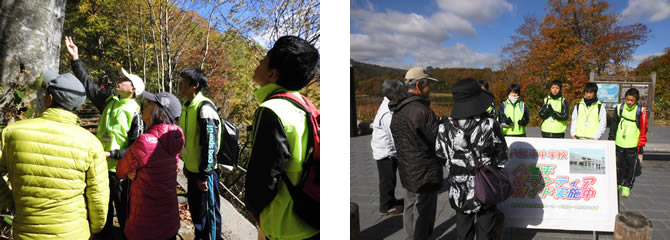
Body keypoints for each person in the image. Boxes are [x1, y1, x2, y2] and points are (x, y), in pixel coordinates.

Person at [0, 71, 109, 239]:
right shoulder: (90, 143)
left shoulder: (13, 133)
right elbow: (99, 199)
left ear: (49, 99)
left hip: (26, 232)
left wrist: (9, 202)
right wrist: (94, 228)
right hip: (73, 233)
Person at [65, 36, 144, 237]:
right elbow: (88, 85)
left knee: (125, 213)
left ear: (133, 89)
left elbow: (137, 148)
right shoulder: (110, 100)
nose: (120, 80)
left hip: (121, 171)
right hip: (100, 167)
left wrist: (113, 154)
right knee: (101, 210)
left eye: (125, 80)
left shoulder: (135, 112)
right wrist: (76, 60)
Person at [244, 35, 320, 239]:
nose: (259, 62)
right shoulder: (305, 105)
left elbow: (264, 176)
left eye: (264, 58)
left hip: (284, 224)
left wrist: (253, 209)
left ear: (272, 73)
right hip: (311, 216)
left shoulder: (271, 109)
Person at [436, 78, 508, 240]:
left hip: (458, 187)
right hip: (485, 185)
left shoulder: (444, 126)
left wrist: (455, 165)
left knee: (462, 229)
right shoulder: (489, 124)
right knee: (486, 230)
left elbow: (440, 155)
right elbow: (503, 154)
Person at [117, 91, 184, 240]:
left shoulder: (146, 141)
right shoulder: (175, 138)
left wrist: (132, 172)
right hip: (168, 220)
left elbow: (120, 170)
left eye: (149, 104)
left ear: (158, 111)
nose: (144, 106)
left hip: (145, 222)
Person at [389, 66, 441, 240]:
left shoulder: (398, 109)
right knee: (424, 212)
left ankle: (411, 236)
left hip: (407, 168)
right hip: (424, 171)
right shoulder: (422, 111)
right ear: (419, 85)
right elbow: (438, 141)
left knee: (410, 206)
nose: (429, 89)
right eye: (428, 85)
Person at [177, 67, 222, 240]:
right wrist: (187, 166)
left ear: (195, 85)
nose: (180, 84)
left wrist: (205, 174)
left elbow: (211, 144)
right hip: (193, 170)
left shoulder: (204, 108)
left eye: (183, 81)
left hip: (205, 174)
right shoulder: (188, 106)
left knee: (208, 216)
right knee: (197, 212)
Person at [370, 79, 407, 216]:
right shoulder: (387, 112)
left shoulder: (388, 103)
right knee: (387, 179)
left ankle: (390, 200)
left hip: (385, 149)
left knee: (388, 178)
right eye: (400, 91)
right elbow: (393, 134)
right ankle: (385, 207)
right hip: (386, 151)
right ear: (394, 93)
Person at [609, 88, 648, 197]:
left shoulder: (640, 111)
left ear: (636, 100)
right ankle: (617, 182)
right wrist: (611, 138)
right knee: (618, 164)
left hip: (632, 143)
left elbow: (644, 128)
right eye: (627, 100)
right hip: (619, 141)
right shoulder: (619, 108)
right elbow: (614, 124)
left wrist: (641, 143)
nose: (629, 102)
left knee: (630, 165)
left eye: (632, 100)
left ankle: (627, 185)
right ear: (624, 99)